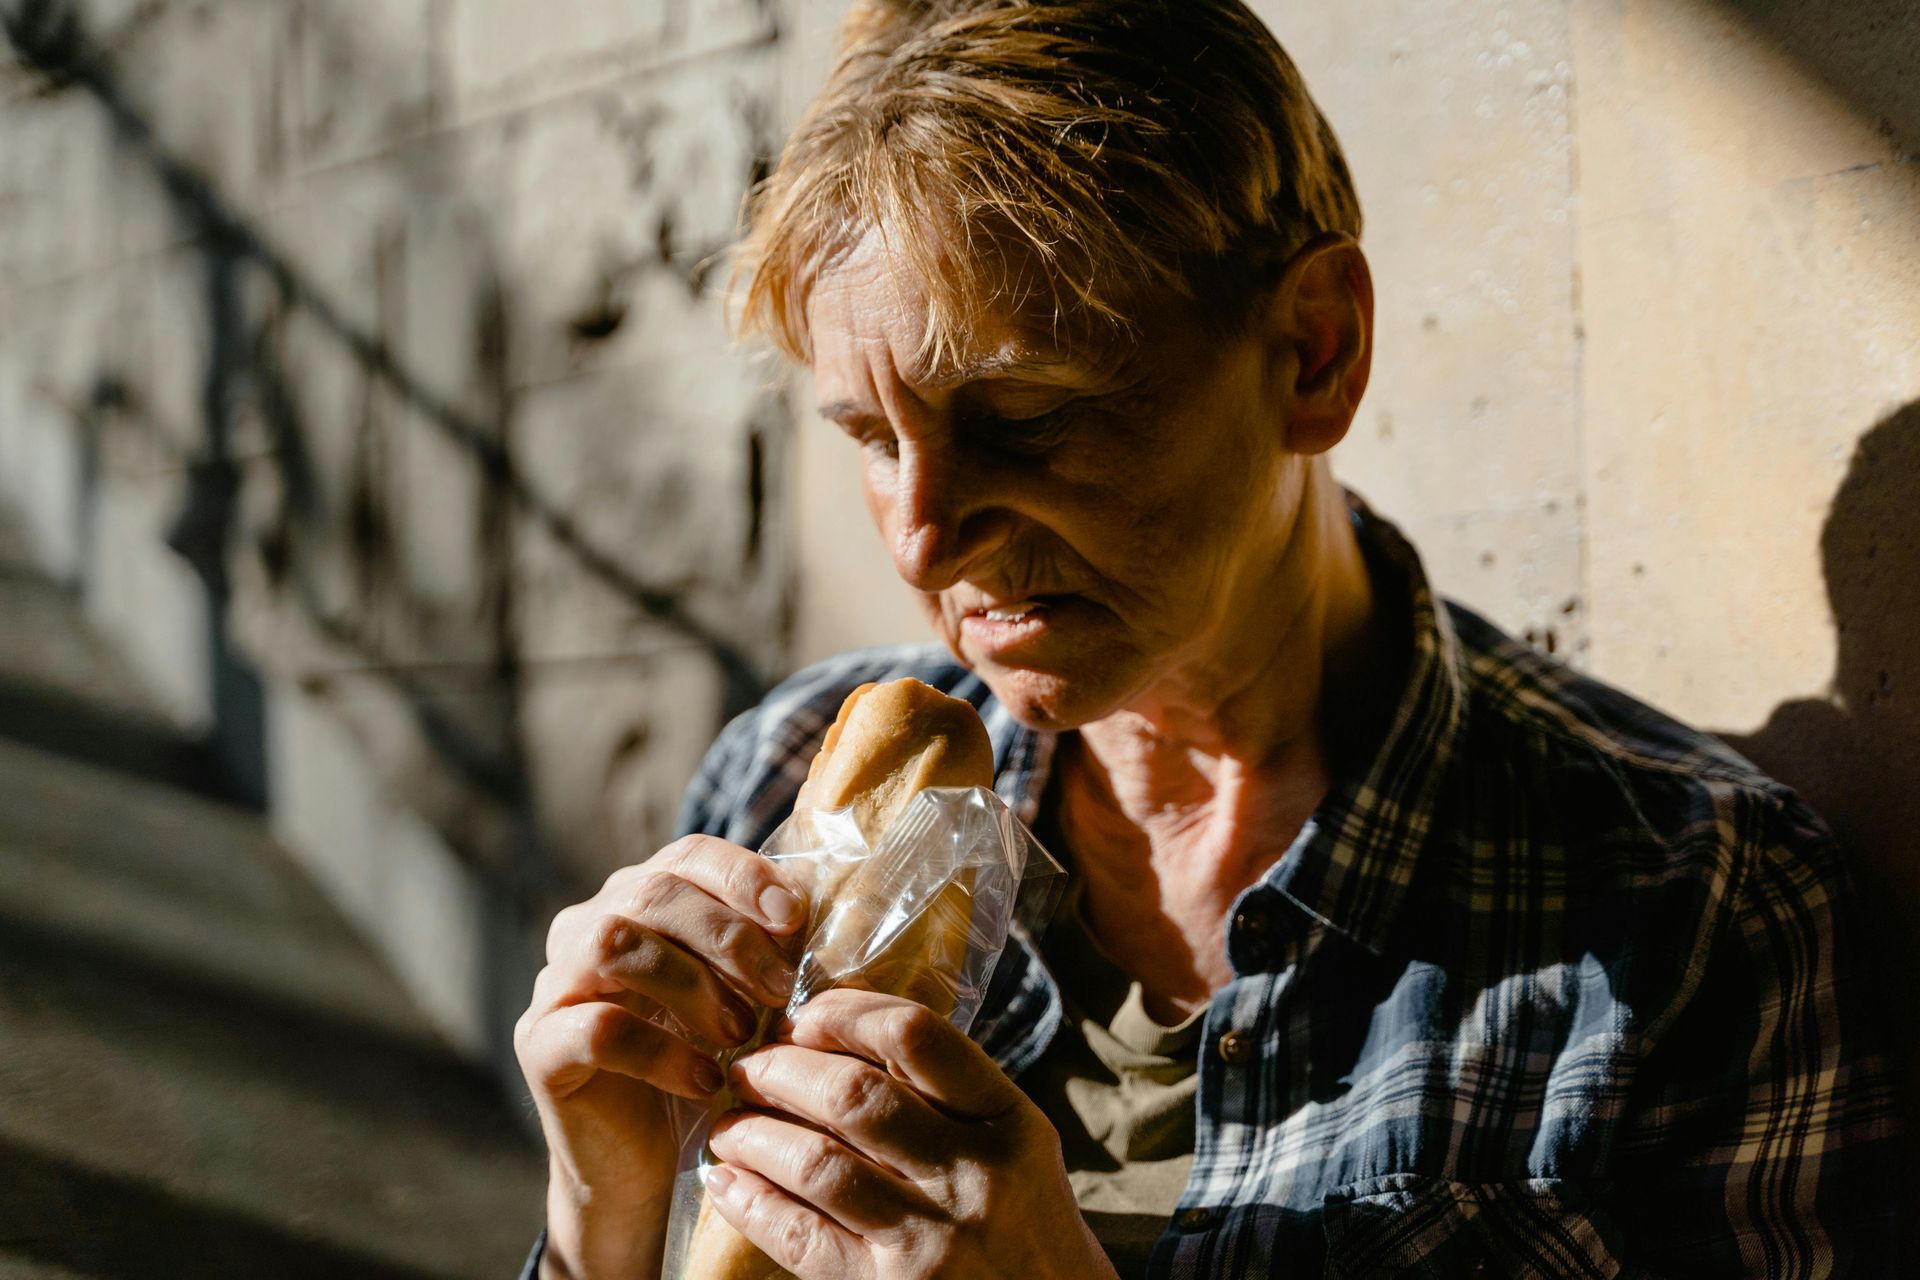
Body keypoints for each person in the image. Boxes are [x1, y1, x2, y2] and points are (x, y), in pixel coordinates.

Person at [513, 1, 1901, 1276]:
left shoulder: (1693, 917)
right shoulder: (784, 775)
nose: (923, 539)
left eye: (1027, 418)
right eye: (875, 439)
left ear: (1316, 352)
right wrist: (601, 1212)